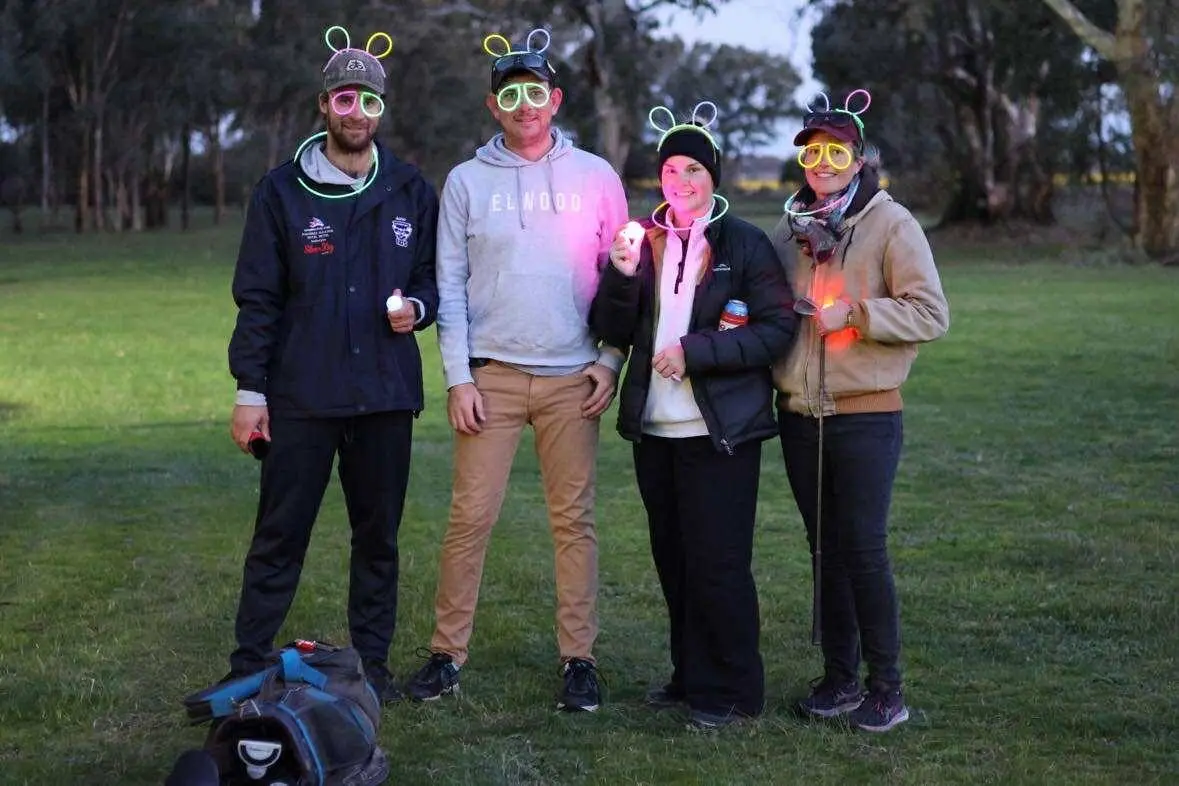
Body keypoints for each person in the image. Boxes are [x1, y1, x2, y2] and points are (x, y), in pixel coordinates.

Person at [404, 29, 628, 712]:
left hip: (571, 379)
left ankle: (578, 660)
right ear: (493, 106)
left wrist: (610, 361)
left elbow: (625, 280)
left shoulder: (595, 176)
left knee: (574, 522)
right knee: (469, 518)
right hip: (491, 376)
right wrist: (458, 379)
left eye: (536, 93)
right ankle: (446, 655)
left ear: (554, 99)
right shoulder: (467, 182)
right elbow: (447, 279)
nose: (525, 105)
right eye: (511, 95)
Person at [225, 25, 438, 703]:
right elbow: (257, 298)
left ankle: (371, 670)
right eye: (345, 99)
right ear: (324, 104)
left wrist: (420, 310)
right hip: (302, 396)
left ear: (382, 109)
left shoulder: (408, 188)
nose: (356, 114)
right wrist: (249, 390)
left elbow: (436, 279)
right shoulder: (280, 191)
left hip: (383, 395)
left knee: (377, 540)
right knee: (279, 535)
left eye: (368, 102)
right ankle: (246, 661)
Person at [590, 103, 796, 730]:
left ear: (714, 176)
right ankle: (690, 677)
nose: (681, 180)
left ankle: (735, 691)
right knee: (674, 558)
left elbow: (776, 330)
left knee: (719, 562)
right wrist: (621, 276)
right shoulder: (645, 242)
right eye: (671, 168)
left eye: (694, 169)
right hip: (655, 431)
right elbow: (608, 326)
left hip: (719, 433)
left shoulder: (744, 243)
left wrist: (696, 353)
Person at [771, 90, 949, 732]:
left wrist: (860, 315)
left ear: (859, 158)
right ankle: (841, 680)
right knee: (825, 551)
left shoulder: (890, 223)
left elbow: (932, 313)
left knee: (864, 550)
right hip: (800, 414)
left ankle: (887, 688)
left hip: (865, 414)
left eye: (836, 151)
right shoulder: (790, 228)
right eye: (812, 151)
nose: (822, 161)